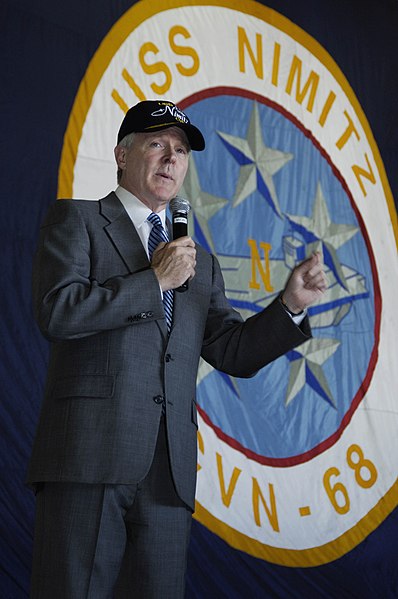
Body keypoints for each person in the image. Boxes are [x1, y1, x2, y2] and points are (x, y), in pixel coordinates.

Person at [28, 100, 327, 598]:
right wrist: (154, 282)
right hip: (89, 459)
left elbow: (232, 352)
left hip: (169, 473)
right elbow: (58, 313)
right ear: (122, 155)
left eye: (181, 150)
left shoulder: (199, 262)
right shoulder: (76, 220)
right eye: (157, 144)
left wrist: (290, 304)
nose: (171, 158)